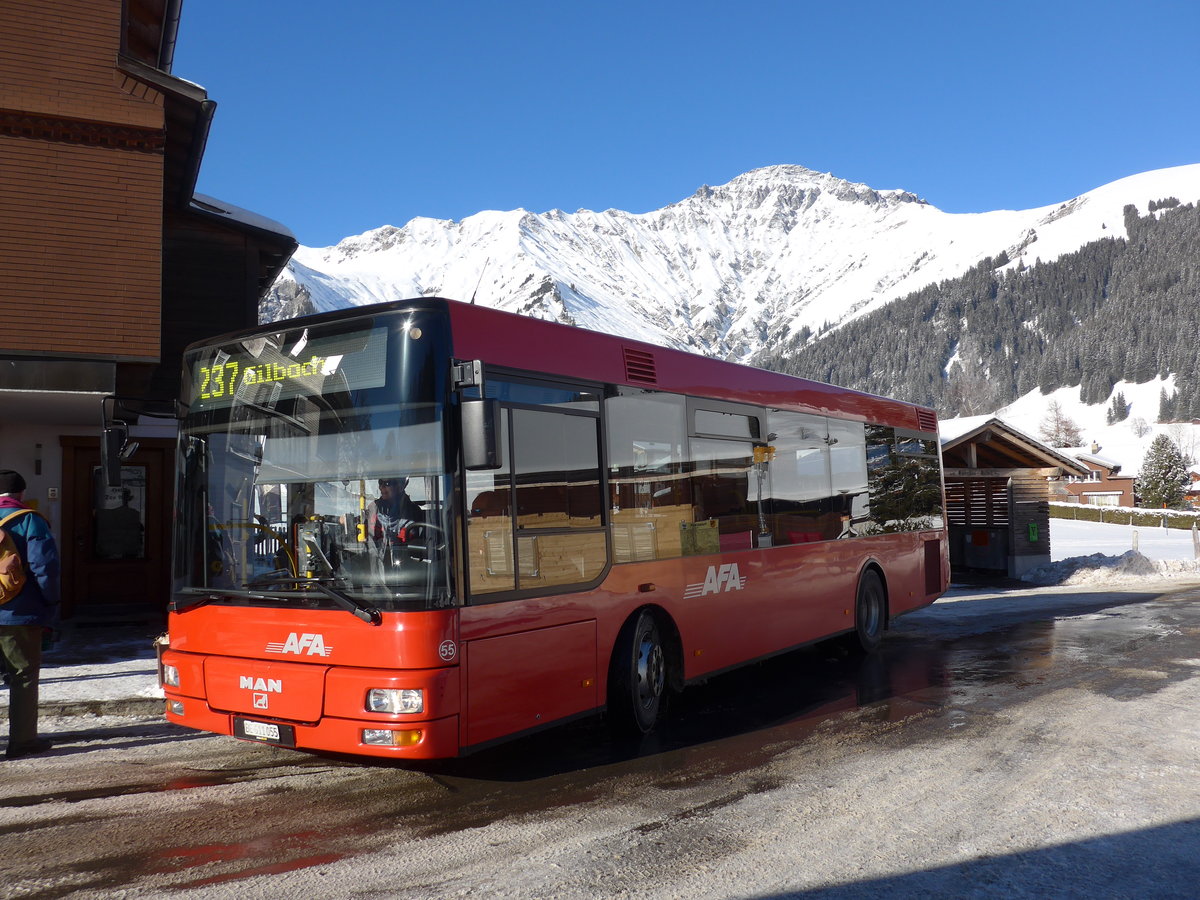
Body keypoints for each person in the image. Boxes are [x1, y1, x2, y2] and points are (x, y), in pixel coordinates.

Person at [0, 468, 60, 760]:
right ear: (20, 494)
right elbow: (44, 568)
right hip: (19, 614)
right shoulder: (29, 521)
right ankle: (22, 741)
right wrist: (51, 602)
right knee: (22, 676)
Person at [365, 477, 425, 563]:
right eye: (380, 482)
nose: (381, 487)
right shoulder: (373, 508)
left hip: (407, 564)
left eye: (387, 484)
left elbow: (414, 543)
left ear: (400, 487)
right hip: (379, 563)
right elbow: (370, 539)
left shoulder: (414, 511)